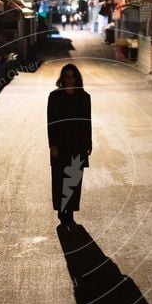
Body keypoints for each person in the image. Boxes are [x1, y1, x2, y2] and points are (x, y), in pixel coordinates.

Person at [47, 64, 92, 225]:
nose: (70, 80)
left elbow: (87, 121)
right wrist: (52, 145)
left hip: (78, 144)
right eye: (67, 76)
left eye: (73, 77)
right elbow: (51, 122)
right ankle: (61, 210)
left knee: (73, 180)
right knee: (59, 179)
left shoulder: (84, 97)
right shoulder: (55, 97)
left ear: (77, 79)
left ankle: (70, 213)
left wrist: (89, 143)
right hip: (60, 144)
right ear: (62, 78)